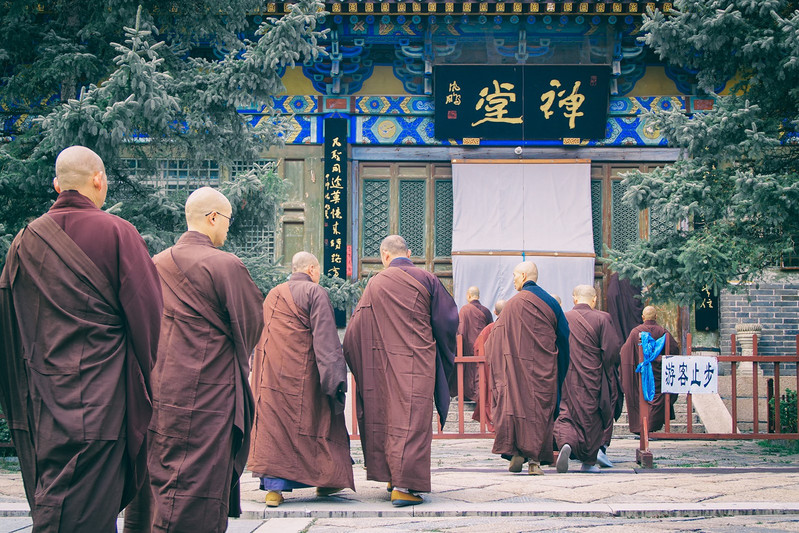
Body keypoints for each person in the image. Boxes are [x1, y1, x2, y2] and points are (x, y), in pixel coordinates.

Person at [0, 146, 162, 532]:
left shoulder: (24, 242)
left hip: (43, 404)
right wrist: (145, 383)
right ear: (98, 180)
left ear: (57, 184)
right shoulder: (118, 233)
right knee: (91, 511)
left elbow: (9, 326)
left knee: (57, 501)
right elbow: (149, 320)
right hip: (102, 402)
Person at [146, 187, 263, 532]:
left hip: (164, 389)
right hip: (210, 393)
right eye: (227, 220)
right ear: (213, 217)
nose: (227, 229)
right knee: (202, 483)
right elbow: (251, 323)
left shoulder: (158, 262)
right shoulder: (224, 265)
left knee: (167, 475)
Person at [343, 235, 458, 507]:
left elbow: (354, 334)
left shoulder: (375, 284)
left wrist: (367, 364)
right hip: (419, 364)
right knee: (414, 423)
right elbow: (448, 322)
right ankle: (404, 486)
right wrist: (440, 352)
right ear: (409, 253)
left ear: (384, 256)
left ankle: (394, 479)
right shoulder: (427, 279)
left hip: (384, 368)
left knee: (389, 421)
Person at [249, 251, 354, 507]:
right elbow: (326, 340)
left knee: (276, 431)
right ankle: (326, 482)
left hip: (272, 377)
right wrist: (335, 379)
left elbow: (261, 337)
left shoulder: (273, 294)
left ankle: (274, 490)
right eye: (317, 271)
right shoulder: (315, 292)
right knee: (320, 423)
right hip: (304, 377)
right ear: (311, 269)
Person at [486, 261, 569, 476]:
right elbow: (564, 338)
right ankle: (534, 461)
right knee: (539, 412)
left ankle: (516, 453)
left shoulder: (512, 305)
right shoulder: (551, 303)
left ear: (523, 276)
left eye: (514, 275)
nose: (513, 279)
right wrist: (559, 368)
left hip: (516, 371)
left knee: (516, 408)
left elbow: (495, 339)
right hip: (544, 372)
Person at [553, 285, 623, 474]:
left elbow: (554, 345)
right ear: (594, 300)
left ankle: (566, 443)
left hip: (567, 377)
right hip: (593, 379)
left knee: (566, 414)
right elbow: (612, 351)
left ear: (574, 299)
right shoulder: (602, 318)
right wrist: (606, 369)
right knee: (593, 418)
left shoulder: (563, 318)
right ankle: (588, 462)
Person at [620, 305, 679, 435]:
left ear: (643, 317)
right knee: (658, 397)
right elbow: (674, 350)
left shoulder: (636, 332)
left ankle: (643, 429)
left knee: (641, 398)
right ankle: (652, 429)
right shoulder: (663, 332)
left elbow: (625, 352)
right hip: (658, 376)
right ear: (656, 317)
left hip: (641, 375)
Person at [454, 286, 493, 401]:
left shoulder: (465, 310)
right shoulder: (486, 311)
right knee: (480, 370)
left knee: (469, 371)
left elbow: (460, 330)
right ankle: (482, 394)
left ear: (468, 296)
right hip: (483, 346)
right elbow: (490, 329)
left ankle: (467, 394)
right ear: (478, 296)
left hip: (467, 346)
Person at [471, 299, 505, 430]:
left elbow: (477, 347)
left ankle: (492, 419)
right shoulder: (514, 327)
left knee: (491, 393)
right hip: (508, 369)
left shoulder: (488, 329)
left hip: (490, 367)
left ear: (495, 312)